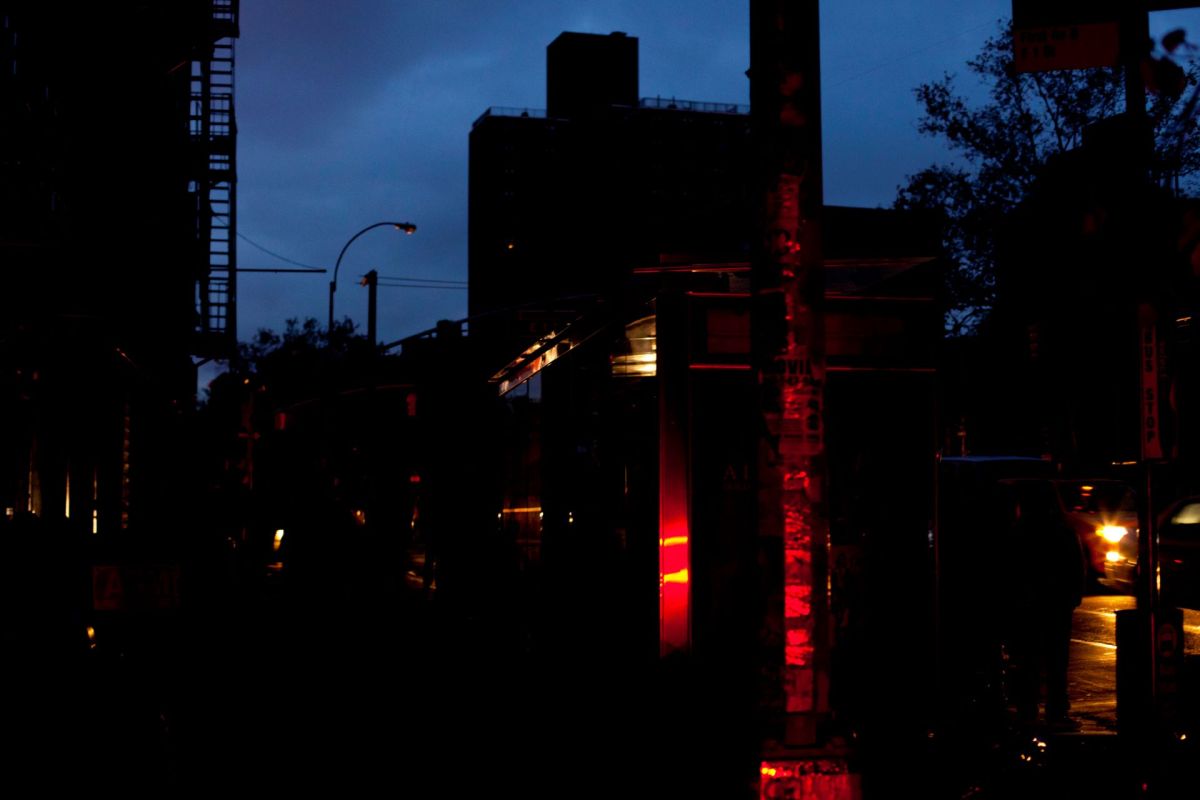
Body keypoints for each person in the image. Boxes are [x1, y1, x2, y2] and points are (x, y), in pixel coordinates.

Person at [1002, 480, 1087, 730]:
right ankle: (1056, 710)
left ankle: (1028, 709)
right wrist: (1073, 596)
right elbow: (1075, 568)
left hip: (1029, 605)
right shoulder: (1063, 531)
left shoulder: (1019, 532)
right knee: (1056, 661)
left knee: (1028, 659)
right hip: (1056, 605)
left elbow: (1010, 572)